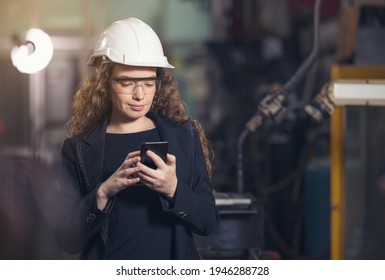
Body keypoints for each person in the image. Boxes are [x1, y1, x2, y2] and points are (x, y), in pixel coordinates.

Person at [55, 17, 219, 260]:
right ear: (105, 84)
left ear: (158, 84)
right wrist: (103, 193)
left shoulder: (185, 137)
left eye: (148, 82)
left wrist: (173, 189)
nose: (139, 94)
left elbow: (207, 222)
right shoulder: (77, 150)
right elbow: (68, 240)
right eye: (127, 82)